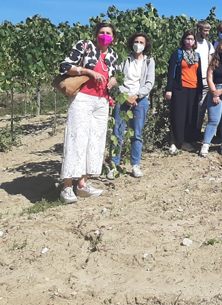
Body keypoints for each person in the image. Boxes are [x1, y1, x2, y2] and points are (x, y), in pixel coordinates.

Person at [58, 22, 118, 204]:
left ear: (113, 38)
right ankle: (67, 187)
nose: (105, 35)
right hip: (83, 98)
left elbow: (110, 74)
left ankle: (82, 184)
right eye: (102, 32)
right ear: (96, 34)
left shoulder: (113, 55)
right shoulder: (85, 46)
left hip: (102, 102)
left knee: (94, 142)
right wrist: (87, 71)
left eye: (108, 33)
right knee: (76, 139)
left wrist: (113, 80)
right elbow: (64, 66)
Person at [109, 32, 155, 179]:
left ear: (146, 45)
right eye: (136, 42)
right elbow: (117, 79)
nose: (138, 45)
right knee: (117, 132)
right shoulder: (124, 59)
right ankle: (113, 165)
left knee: (137, 133)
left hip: (140, 101)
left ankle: (135, 165)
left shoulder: (149, 62)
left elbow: (149, 83)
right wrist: (125, 96)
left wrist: (136, 96)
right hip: (122, 99)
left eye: (142, 42)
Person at [165, 31, 202, 154]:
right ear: (183, 40)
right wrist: (169, 89)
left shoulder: (197, 56)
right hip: (180, 89)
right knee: (178, 115)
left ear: (195, 41)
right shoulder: (178, 54)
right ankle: (173, 142)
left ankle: (185, 141)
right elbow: (171, 72)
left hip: (194, 89)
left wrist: (200, 90)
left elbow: (199, 73)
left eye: (192, 39)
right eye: (187, 38)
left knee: (190, 116)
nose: (189, 41)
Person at [195, 20, 215, 142]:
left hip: (206, 80)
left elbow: (210, 62)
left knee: (204, 108)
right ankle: (194, 131)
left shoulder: (208, 45)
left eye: (208, 31)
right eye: (205, 30)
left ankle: (199, 132)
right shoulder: (193, 43)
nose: (207, 33)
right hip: (195, 80)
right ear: (199, 30)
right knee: (197, 108)